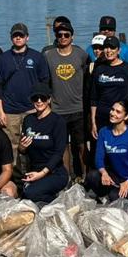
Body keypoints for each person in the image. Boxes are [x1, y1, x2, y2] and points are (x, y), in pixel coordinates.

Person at [0, 22, 51, 161]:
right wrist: (0, 110)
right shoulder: (3, 59)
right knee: (11, 146)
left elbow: (45, 83)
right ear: (11, 38)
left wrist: (45, 106)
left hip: (32, 109)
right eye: (15, 36)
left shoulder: (37, 57)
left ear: (27, 37)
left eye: (21, 35)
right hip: (9, 110)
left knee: (32, 143)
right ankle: (14, 178)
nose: (18, 38)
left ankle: (33, 174)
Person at [41, 18, 90, 178]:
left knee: (82, 145)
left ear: (72, 37)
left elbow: (87, 77)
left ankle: (84, 176)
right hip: (57, 109)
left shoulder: (81, 54)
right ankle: (66, 178)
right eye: (59, 35)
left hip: (78, 109)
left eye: (66, 35)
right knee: (63, 147)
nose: (62, 37)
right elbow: (44, 80)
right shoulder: (48, 55)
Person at [85, 100, 128, 201]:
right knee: (92, 176)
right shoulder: (104, 132)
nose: (113, 113)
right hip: (114, 177)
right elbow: (98, 158)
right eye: (112, 109)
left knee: (115, 196)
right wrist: (104, 172)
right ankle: (106, 195)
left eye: (118, 112)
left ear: (126, 116)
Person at [17, 84, 69, 204]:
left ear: (49, 99)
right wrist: (22, 147)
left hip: (54, 172)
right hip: (34, 171)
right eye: (36, 98)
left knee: (30, 194)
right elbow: (23, 150)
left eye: (43, 98)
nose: (39, 101)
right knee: (24, 195)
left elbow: (58, 153)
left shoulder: (58, 121)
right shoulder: (28, 120)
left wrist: (41, 174)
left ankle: (62, 204)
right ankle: (52, 198)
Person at [89, 34, 128, 136]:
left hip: (122, 117)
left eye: (112, 47)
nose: (109, 51)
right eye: (106, 47)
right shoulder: (98, 69)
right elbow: (94, 98)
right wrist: (93, 122)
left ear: (118, 50)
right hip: (102, 116)